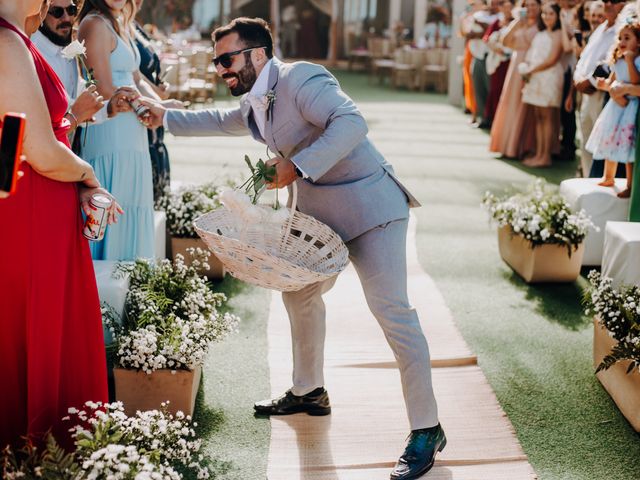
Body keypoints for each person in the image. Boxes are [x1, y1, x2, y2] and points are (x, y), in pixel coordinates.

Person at [142, 17, 445, 480]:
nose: (220, 68)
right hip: (319, 216)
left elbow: (351, 122)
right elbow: (224, 121)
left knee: (391, 310)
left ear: (257, 54)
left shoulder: (301, 76)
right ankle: (309, 392)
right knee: (298, 293)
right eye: (216, 60)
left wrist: (296, 167)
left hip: (372, 209)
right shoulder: (254, 99)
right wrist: (164, 115)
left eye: (227, 59)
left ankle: (427, 429)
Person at [0, 0, 122, 448]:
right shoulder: (7, 44)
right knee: (35, 327)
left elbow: (9, 143)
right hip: (33, 214)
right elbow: (40, 151)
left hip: (29, 205)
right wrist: (88, 176)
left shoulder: (16, 40)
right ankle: (40, 447)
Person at [78, 0, 155, 260]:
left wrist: (162, 106)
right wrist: (139, 104)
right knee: (114, 202)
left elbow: (136, 79)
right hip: (109, 133)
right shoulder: (94, 24)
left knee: (132, 203)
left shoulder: (120, 22)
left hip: (132, 136)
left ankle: (134, 285)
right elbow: (101, 90)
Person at [31, 0, 134, 151]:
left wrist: (109, 107)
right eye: (58, 12)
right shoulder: (32, 54)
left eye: (71, 10)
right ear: (42, 12)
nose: (66, 18)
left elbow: (79, 98)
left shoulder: (67, 49)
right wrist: (75, 115)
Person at [133, 0, 181, 203]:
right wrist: (157, 98)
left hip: (151, 106)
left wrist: (158, 94)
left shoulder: (134, 27)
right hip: (139, 111)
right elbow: (132, 76)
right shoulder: (112, 27)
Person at [586, 20, 640, 197]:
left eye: (627, 38)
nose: (622, 41)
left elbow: (634, 82)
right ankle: (608, 176)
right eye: (620, 37)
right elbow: (612, 80)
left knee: (626, 143)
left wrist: (630, 61)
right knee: (609, 138)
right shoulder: (617, 59)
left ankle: (630, 184)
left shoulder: (636, 61)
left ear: (638, 42)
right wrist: (604, 85)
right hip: (615, 107)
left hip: (630, 107)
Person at [573, 0, 626, 177]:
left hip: (603, 94)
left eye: (614, 1)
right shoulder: (601, 28)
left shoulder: (622, 30)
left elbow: (611, 63)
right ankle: (587, 180)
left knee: (598, 144)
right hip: (587, 93)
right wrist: (578, 78)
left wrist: (589, 81)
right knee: (586, 140)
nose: (609, 5)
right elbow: (584, 57)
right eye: (606, 1)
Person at [489, 0, 540, 158]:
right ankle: (506, 145)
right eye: (527, 5)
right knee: (510, 102)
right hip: (515, 65)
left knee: (526, 105)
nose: (530, 8)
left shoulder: (542, 24)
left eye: (533, 5)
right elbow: (504, 41)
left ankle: (523, 146)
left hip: (531, 64)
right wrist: (517, 22)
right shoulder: (518, 23)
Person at [520, 1, 565, 167]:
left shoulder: (559, 34)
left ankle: (545, 155)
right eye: (544, 13)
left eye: (551, 14)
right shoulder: (540, 34)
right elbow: (532, 55)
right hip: (536, 77)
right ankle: (539, 154)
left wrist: (531, 70)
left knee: (547, 117)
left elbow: (552, 59)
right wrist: (527, 68)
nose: (547, 17)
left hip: (549, 78)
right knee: (538, 117)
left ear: (557, 16)